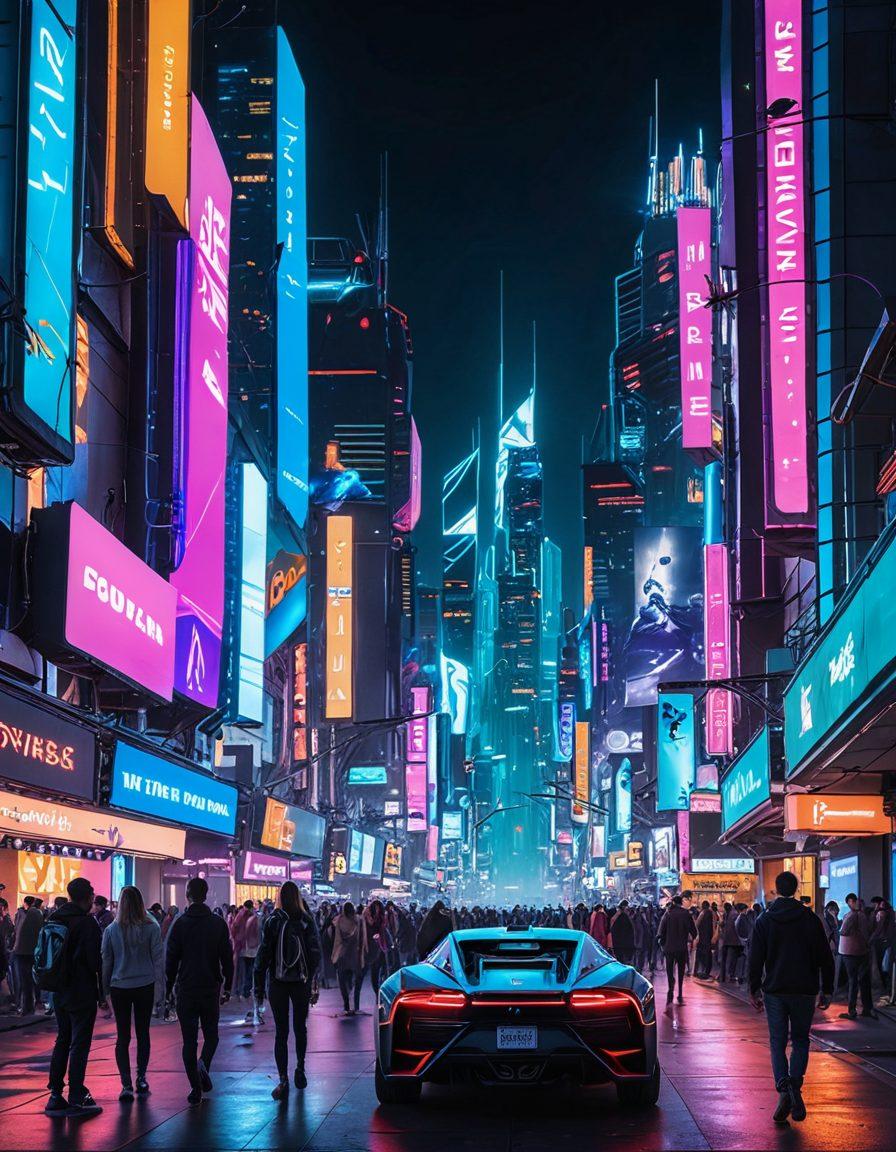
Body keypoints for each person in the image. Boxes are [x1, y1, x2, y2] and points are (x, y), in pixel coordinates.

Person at [748, 870, 833, 1124]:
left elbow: (756, 958)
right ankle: (795, 1085)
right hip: (804, 990)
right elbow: (825, 957)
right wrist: (827, 988)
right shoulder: (810, 919)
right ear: (796, 889)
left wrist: (753, 988)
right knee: (800, 1040)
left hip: (775, 990)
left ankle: (784, 1088)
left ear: (776, 889)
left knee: (777, 1042)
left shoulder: (765, 920)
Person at [164, 877, 234, 1105]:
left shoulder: (180, 923)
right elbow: (227, 958)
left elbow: (171, 961)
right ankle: (203, 1064)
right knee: (211, 1036)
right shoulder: (218, 923)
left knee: (189, 1041)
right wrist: (228, 986)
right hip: (210, 987)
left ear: (188, 895)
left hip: (186, 988)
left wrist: (168, 989)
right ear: (207, 895)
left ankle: (195, 1088)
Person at [44, 877, 106, 1117]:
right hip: (81, 990)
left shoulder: (54, 918)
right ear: (87, 897)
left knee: (62, 1039)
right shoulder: (87, 923)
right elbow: (94, 961)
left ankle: (55, 1094)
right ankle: (76, 1096)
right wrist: (101, 994)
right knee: (80, 1043)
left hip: (58, 989)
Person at [254, 881, 321, 1099]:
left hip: (278, 982)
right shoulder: (306, 920)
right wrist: (312, 980)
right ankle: (300, 1068)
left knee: (281, 1032)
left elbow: (263, 955)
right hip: (300, 982)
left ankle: (282, 1080)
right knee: (300, 1027)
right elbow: (315, 954)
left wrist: (257, 987)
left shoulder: (272, 921)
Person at [101, 885, 163, 1100]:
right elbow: (158, 960)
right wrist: (161, 990)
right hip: (145, 984)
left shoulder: (111, 930)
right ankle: (141, 1077)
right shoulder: (151, 927)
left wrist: (104, 990)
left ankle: (126, 1083)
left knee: (122, 1036)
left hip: (120, 986)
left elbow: (106, 962)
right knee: (143, 1033)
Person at [837, 892, 877, 1020]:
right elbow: (868, 931)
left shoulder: (852, 915)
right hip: (862, 951)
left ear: (850, 901)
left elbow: (843, 931)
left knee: (853, 981)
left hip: (850, 952)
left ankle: (852, 1011)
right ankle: (867, 1008)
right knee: (864, 981)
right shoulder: (863, 915)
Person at [658, 895, 697, 1005]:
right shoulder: (686, 914)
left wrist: (662, 943)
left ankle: (670, 988)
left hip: (669, 948)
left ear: (673, 903)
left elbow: (661, 932)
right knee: (681, 971)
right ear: (681, 903)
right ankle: (680, 992)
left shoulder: (668, 913)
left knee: (670, 971)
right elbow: (694, 932)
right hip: (681, 948)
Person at [331, 902, 364, 1014]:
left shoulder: (339, 920)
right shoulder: (358, 921)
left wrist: (334, 954)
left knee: (341, 979)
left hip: (342, 954)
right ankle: (353, 999)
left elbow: (336, 938)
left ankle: (346, 1003)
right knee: (351, 977)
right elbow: (362, 938)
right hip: (354, 954)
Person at [12, 895, 43, 1015]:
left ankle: (26, 1007)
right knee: (32, 979)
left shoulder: (22, 914)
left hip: (22, 951)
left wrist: (14, 948)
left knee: (24, 980)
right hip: (33, 951)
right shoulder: (37, 914)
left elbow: (17, 932)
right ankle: (31, 1005)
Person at [608, 900, 635, 965]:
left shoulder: (616, 915)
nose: (628, 909)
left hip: (618, 943)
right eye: (627, 907)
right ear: (623, 907)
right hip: (623, 944)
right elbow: (627, 931)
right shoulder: (623, 916)